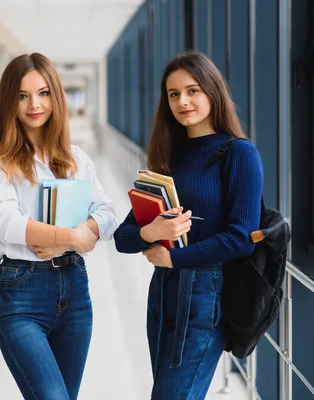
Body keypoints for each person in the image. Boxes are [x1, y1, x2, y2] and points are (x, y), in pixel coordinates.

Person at [113, 51, 263, 399]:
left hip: (205, 293)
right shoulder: (169, 158)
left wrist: (174, 258)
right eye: (173, 94)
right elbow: (123, 237)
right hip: (163, 292)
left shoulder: (239, 153)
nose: (183, 101)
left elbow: (242, 238)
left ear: (212, 91)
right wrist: (154, 233)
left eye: (192, 90)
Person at [0, 53, 117, 400]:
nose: (34, 104)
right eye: (22, 95)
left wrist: (77, 239)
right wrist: (72, 236)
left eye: (43, 93)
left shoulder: (74, 157)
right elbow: (7, 223)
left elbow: (108, 212)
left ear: (56, 96)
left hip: (74, 292)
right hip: (21, 293)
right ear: (9, 100)